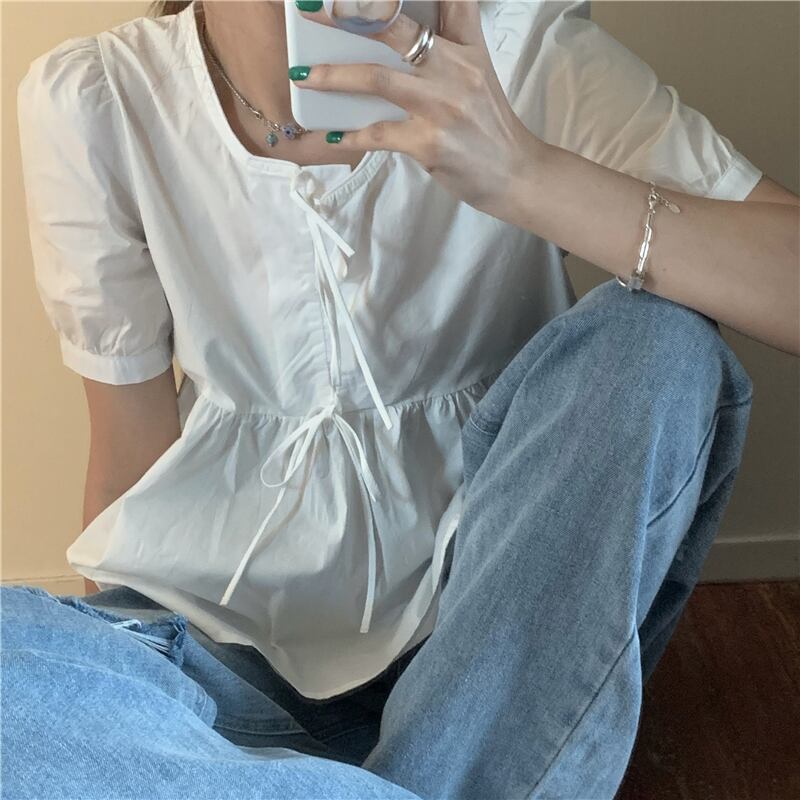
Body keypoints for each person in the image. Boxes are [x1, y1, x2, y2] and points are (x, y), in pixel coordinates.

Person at [5, 1, 798, 798]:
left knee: (659, 345)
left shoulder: (520, 56)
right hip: (218, 662)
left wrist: (523, 172)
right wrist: (115, 691)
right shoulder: (99, 96)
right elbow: (128, 451)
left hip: (493, 649)